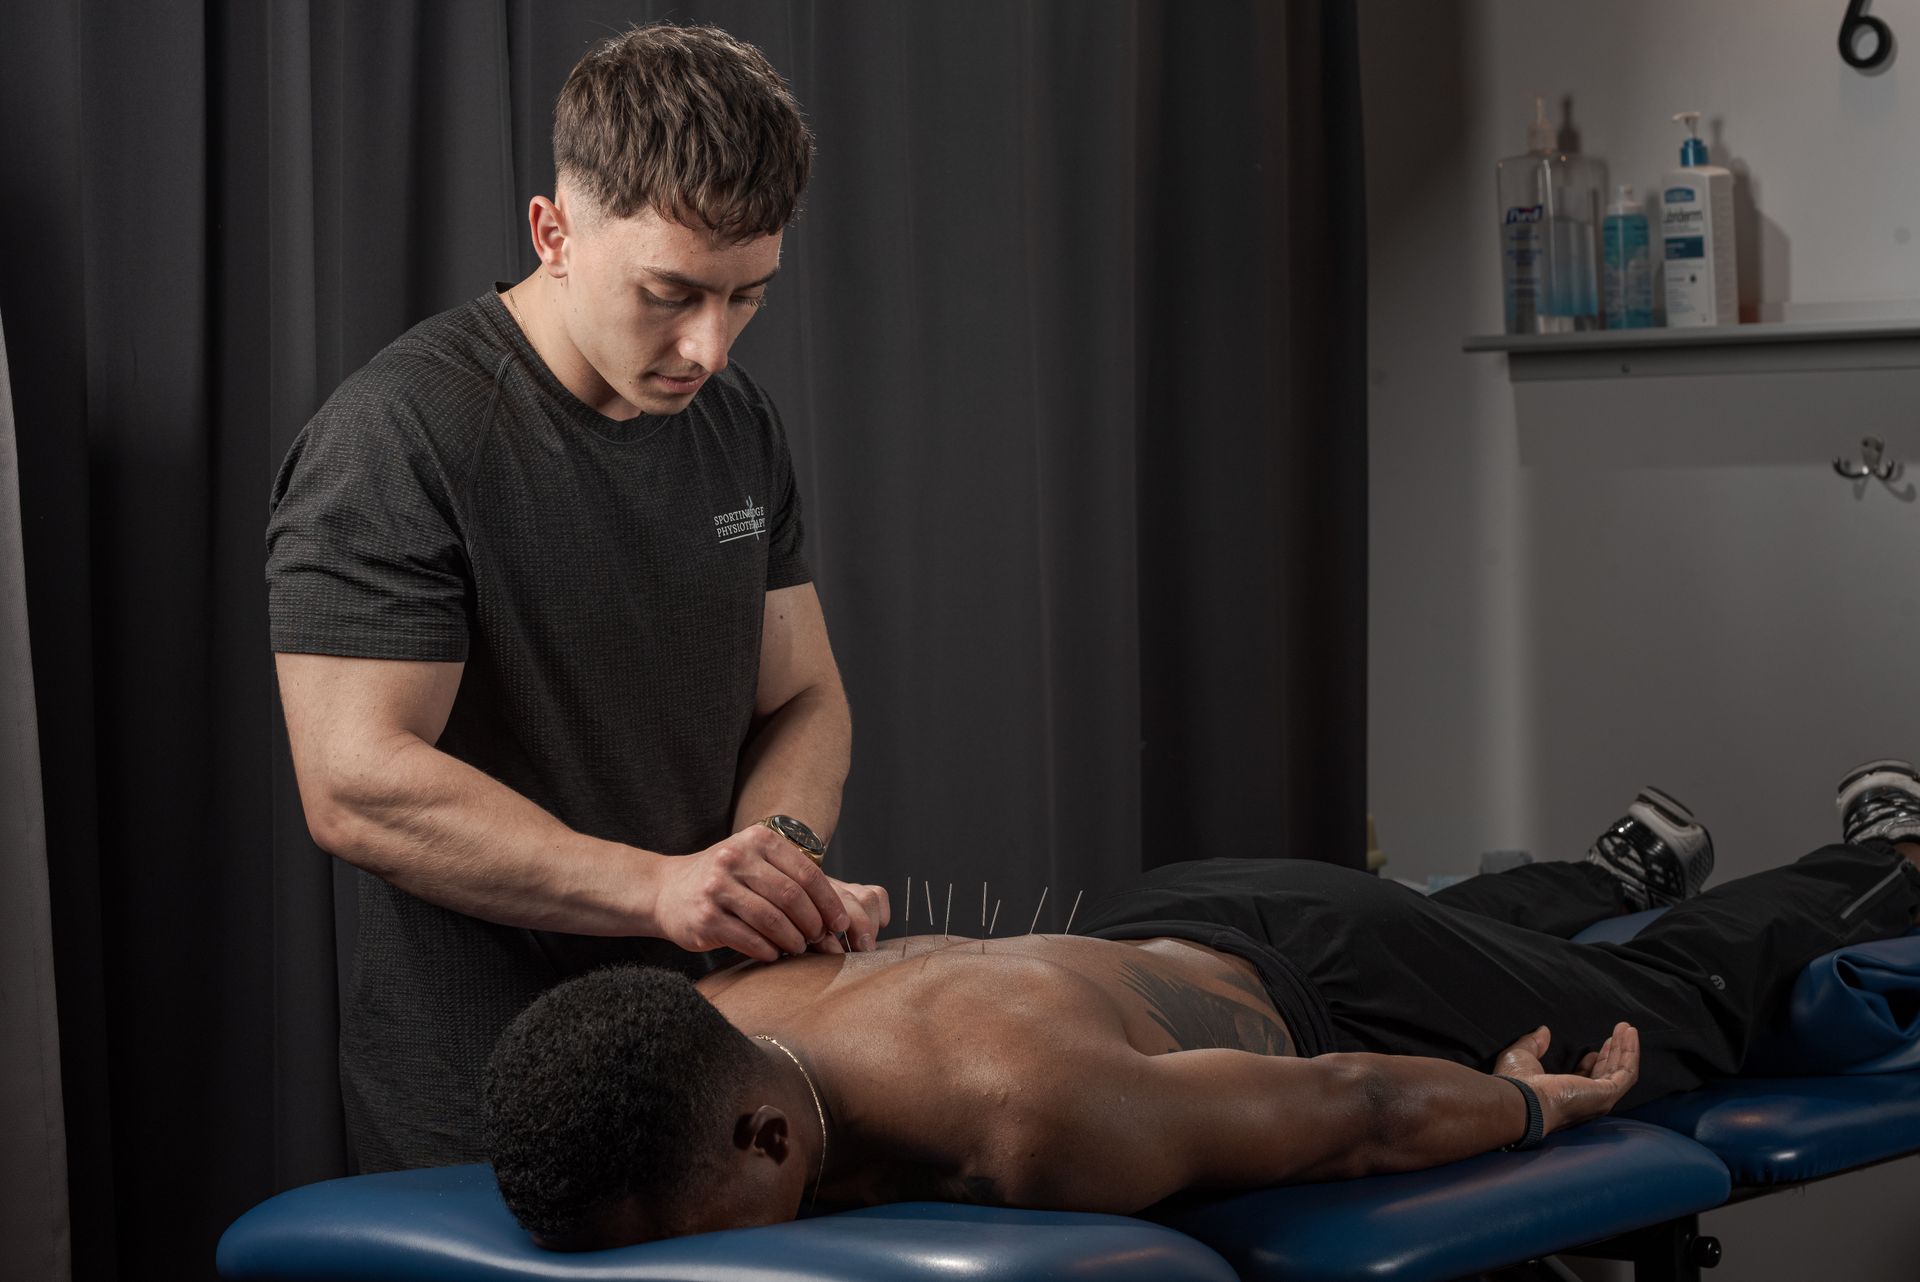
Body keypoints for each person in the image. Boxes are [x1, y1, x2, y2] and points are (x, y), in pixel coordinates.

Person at [265, 23, 887, 1171]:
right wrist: (662, 891)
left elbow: (805, 697)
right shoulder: (394, 437)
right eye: (671, 293)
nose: (709, 345)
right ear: (552, 233)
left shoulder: (736, 422)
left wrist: (775, 865)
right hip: (486, 1097)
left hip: (722, 1054)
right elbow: (356, 783)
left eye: (748, 297)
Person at [484, 760, 1920, 1249]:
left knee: (1668, 1006)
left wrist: (1544, 1100)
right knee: (1452, 925)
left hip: (1316, 976)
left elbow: (1351, 1111)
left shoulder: (1029, 1118)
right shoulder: (725, 1000)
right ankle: (1612, 866)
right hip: (1156, 923)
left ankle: (1879, 855)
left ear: (756, 1135)